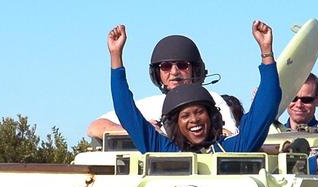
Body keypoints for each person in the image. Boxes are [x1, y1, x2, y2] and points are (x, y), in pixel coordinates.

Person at [106, 21, 280, 153]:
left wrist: (266, 51)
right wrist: (116, 56)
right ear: (174, 124)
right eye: (185, 115)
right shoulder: (163, 151)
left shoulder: (231, 150)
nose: (194, 120)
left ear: (212, 117)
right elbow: (126, 111)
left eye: (199, 112)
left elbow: (266, 107)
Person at [86, 34, 236, 141]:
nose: (174, 72)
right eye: (165, 66)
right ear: (157, 73)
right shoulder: (151, 104)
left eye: (182, 65)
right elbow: (95, 127)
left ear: (195, 70)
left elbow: (229, 134)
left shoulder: (213, 100)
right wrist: (141, 130)